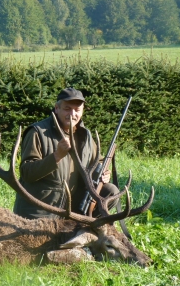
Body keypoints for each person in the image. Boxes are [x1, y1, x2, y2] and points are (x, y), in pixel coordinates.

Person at [13, 87, 118, 219]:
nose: (72, 114)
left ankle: (85, 224)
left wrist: (104, 173)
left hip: (72, 208)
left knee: (111, 191)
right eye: (67, 109)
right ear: (57, 108)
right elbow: (27, 173)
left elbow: (99, 161)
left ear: (82, 111)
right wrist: (57, 156)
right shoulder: (37, 132)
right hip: (42, 211)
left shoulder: (85, 136)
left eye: (77, 110)